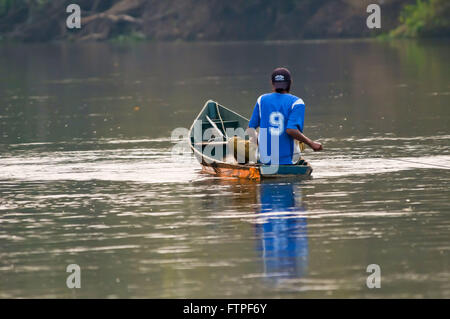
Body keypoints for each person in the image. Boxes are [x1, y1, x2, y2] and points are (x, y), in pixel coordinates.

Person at [246, 67, 322, 165]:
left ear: (272, 83)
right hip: (288, 160)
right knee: (300, 142)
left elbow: (250, 129)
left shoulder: (261, 99)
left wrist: (257, 141)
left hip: (264, 160)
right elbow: (291, 130)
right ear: (290, 83)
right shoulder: (297, 102)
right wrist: (312, 144)